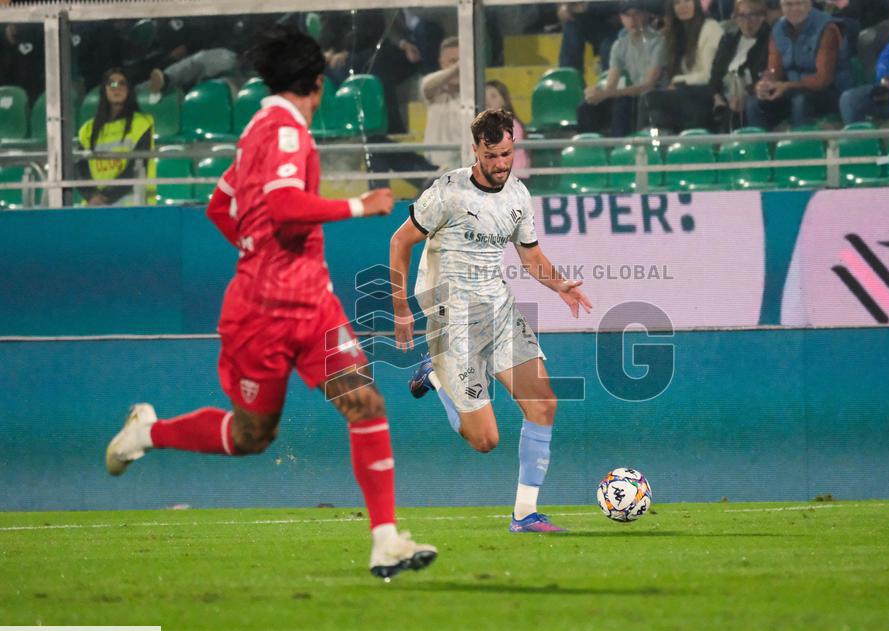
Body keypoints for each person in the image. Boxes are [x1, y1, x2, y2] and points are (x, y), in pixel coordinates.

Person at [104, 26, 437, 580]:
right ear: (317, 83)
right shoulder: (285, 131)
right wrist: (361, 205)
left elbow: (220, 206)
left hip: (311, 306)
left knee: (366, 405)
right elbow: (283, 205)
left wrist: (262, 253)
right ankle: (148, 432)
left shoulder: (257, 130)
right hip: (263, 313)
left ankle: (385, 541)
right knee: (251, 435)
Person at [389, 109, 593, 534]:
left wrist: (560, 286)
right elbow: (399, 241)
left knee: (543, 404)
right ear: (475, 151)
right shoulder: (447, 192)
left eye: (507, 153)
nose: (501, 163)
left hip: (498, 308)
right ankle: (437, 376)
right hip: (451, 316)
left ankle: (524, 514)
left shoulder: (518, 195)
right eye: (492, 155)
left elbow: (531, 256)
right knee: (485, 441)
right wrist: (401, 308)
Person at [745, 0, 851, 129]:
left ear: (809, 4)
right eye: (788, 4)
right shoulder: (777, 29)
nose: (794, 9)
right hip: (791, 89)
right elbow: (774, 68)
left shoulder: (827, 28)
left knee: (801, 101)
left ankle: (804, 146)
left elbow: (823, 78)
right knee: (754, 102)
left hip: (828, 91)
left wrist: (788, 86)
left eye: (799, 3)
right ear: (781, 7)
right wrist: (766, 82)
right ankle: (761, 147)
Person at [577, 1, 665, 137]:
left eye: (636, 14)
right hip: (633, 94)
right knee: (586, 107)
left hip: (655, 94)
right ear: (621, 18)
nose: (632, 20)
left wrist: (607, 93)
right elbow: (610, 85)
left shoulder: (658, 42)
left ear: (646, 15)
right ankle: (589, 150)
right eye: (627, 16)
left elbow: (648, 85)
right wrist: (596, 93)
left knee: (622, 103)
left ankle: (619, 150)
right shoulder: (619, 45)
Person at [77, 68, 156, 206]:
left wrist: (105, 198)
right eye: (111, 84)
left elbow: (137, 166)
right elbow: (80, 169)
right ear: (104, 90)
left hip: (133, 206)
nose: (117, 88)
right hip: (95, 206)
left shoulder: (142, 124)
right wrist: (91, 196)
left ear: (129, 89)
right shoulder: (87, 130)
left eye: (122, 83)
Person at [642, 0, 724, 132]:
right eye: (677, 3)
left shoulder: (711, 28)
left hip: (707, 93)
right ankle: (658, 147)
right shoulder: (677, 33)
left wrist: (678, 80)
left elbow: (709, 76)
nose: (682, 7)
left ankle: (645, 148)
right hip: (685, 93)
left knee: (650, 98)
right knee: (655, 110)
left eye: (687, 1)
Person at [708, 0, 772, 131]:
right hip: (725, 94)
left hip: (751, 92)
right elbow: (716, 73)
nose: (747, 22)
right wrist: (716, 96)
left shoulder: (769, 40)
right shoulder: (728, 39)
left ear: (762, 17)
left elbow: (763, 74)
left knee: (745, 106)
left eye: (752, 15)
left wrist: (745, 93)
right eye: (741, 16)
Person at [420, 36, 463, 170]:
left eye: (461, 61)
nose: (458, 67)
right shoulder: (432, 86)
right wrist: (457, 68)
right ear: (442, 63)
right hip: (432, 166)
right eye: (453, 61)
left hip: (464, 168)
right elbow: (427, 87)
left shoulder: (477, 91)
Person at [557, 2, 622, 74]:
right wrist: (565, 6)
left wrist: (586, 6)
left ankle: (609, 81)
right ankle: (569, 77)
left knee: (607, 47)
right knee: (571, 23)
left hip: (623, 26)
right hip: (598, 20)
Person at [484, 80, 531, 178]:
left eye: (493, 96)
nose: (488, 101)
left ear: (504, 101)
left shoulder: (510, 124)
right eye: (485, 97)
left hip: (514, 177)